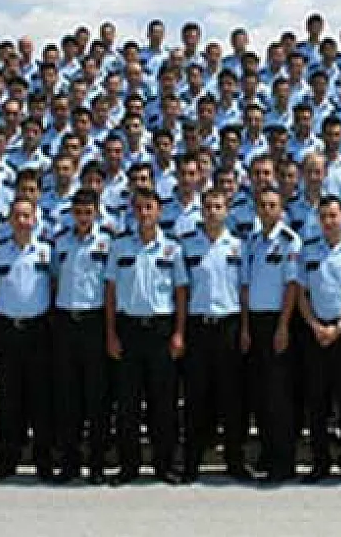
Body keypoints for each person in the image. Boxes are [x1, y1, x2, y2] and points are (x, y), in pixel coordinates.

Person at [105, 188, 188, 486]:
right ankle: (128, 466)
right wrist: (111, 333)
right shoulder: (119, 247)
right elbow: (110, 292)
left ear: (159, 211)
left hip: (160, 331)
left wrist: (179, 332)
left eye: (149, 207)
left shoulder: (173, 249)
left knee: (163, 403)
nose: (144, 213)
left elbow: (181, 292)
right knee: (127, 404)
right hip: (128, 330)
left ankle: (163, 465)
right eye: (138, 208)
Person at [179, 189, 253, 483]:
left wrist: (245, 328)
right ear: (201, 210)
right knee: (196, 397)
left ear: (227, 210)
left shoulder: (238, 247)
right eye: (208, 206)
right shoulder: (187, 245)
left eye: (218, 206)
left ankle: (235, 461)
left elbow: (244, 290)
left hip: (229, 327)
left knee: (232, 397)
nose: (212, 212)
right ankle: (191, 463)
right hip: (198, 327)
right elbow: (182, 291)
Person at [297, 196, 341, 486]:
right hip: (315, 331)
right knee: (317, 401)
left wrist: (339, 327)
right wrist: (316, 326)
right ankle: (320, 463)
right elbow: (301, 294)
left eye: (334, 215)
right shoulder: (308, 252)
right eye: (324, 216)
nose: (329, 221)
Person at [50, 188, 117, 484]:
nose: (83, 218)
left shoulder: (107, 243)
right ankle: (70, 462)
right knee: (68, 397)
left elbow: (111, 285)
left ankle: (97, 463)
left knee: (97, 397)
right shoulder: (60, 242)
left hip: (94, 322)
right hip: (66, 322)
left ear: (97, 212)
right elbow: (53, 280)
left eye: (88, 212)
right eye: (78, 212)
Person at [0, 198, 56, 483]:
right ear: (9, 220)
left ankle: (43, 461)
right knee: (8, 399)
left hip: (38, 331)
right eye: (16, 216)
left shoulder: (47, 252)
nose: (22, 221)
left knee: (41, 399)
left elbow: (54, 284)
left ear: (35, 219)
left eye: (27, 216)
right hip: (8, 331)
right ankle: (7, 460)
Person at [239, 187, 302, 484]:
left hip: (279, 322)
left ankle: (283, 462)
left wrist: (284, 326)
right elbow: (245, 287)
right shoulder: (251, 243)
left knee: (279, 397)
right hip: (256, 323)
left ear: (281, 209)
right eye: (262, 205)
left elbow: (292, 286)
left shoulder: (290, 241)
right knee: (260, 394)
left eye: (272, 205)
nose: (267, 210)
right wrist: (245, 327)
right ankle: (267, 454)